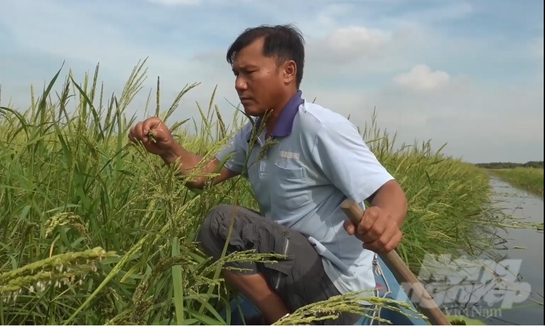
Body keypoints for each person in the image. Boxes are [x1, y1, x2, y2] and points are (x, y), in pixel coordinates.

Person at [128, 24, 408, 325]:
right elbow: (203, 175)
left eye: (249, 72)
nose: (238, 84)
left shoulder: (318, 128)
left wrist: (384, 219)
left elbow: (388, 190)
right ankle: (285, 317)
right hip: (293, 270)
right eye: (236, 74)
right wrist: (169, 150)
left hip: (335, 289)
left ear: (288, 71)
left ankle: (283, 321)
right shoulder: (253, 135)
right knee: (225, 231)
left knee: (221, 223)